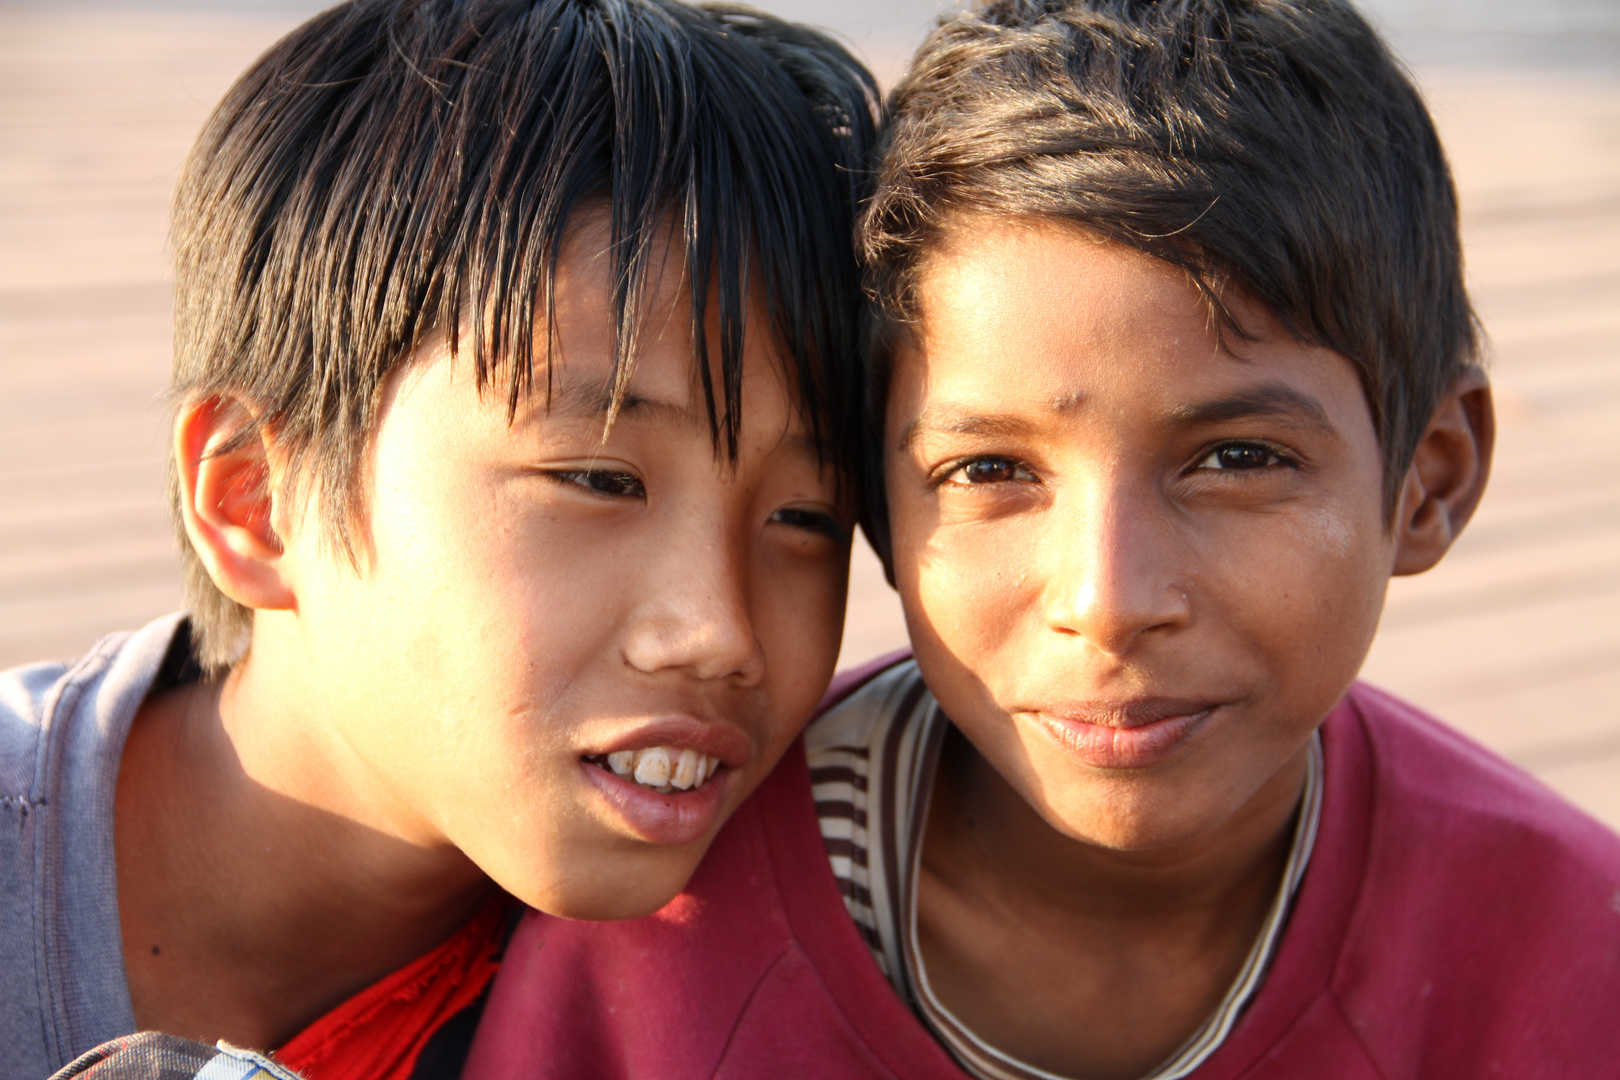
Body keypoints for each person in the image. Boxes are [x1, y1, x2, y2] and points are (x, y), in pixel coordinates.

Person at [463, 1, 1620, 1077]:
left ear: (1429, 478)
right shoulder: (651, 964)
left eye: (1236, 460)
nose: (1108, 599)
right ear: (876, 505)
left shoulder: (1568, 962)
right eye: (990, 471)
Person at [1, 0, 879, 1075]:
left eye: (805, 518)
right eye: (599, 478)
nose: (718, 631)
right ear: (254, 500)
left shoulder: (772, 945)